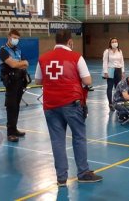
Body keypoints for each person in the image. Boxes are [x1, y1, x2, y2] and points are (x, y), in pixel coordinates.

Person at [34, 29, 102, 186]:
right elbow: (88, 80)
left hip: (50, 105)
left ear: (55, 41)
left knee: (57, 140)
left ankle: (61, 178)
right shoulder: (76, 57)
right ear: (70, 41)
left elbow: (38, 81)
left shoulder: (43, 58)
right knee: (78, 137)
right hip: (71, 103)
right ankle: (83, 172)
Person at [0, 29, 29, 142]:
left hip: (20, 81)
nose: (16, 40)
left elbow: (24, 65)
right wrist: (20, 64)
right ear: (9, 37)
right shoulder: (3, 51)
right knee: (11, 106)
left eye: (17, 38)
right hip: (10, 82)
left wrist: (19, 64)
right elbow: (12, 64)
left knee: (16, 106)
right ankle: (10, 133)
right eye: (14, 37)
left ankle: (14, 129)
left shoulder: (18, 50)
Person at [102, 37, 125, 109]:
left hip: (118, 70)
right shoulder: (107, 51)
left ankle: (117, 101)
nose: (114, 42)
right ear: (110, 43)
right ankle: (110, 103)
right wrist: (105, 71)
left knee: (118, 87)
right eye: (113, 41)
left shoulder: (120, 51)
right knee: (110, 87)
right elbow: (105, 61)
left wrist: (123, 71)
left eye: (116, 41)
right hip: (110, 70)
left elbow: (122, 62)